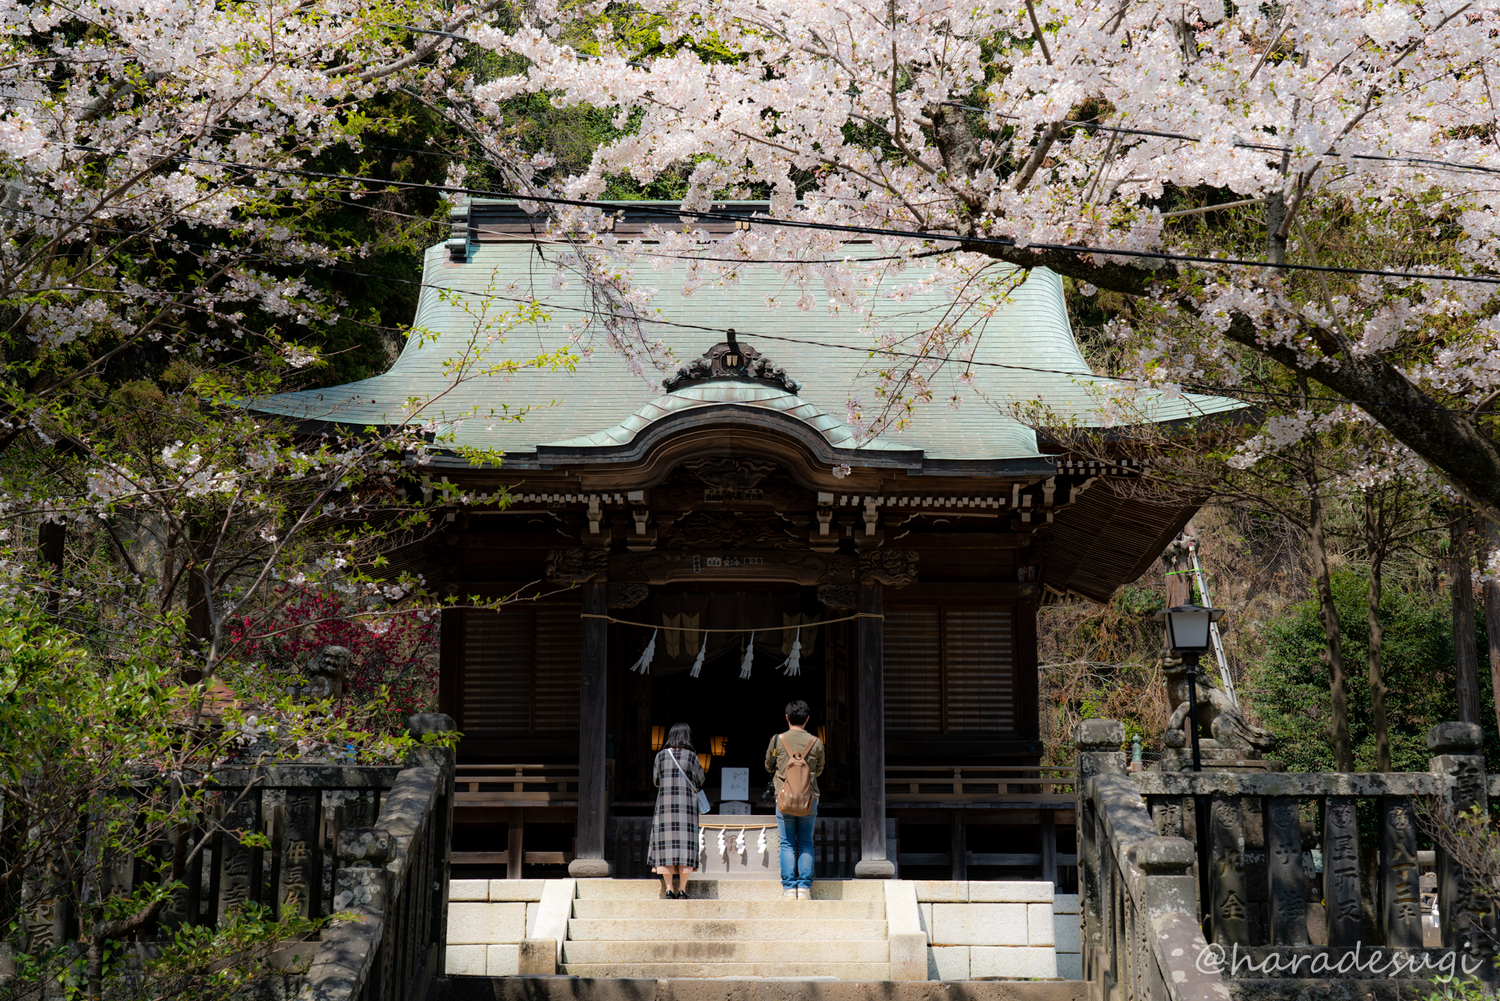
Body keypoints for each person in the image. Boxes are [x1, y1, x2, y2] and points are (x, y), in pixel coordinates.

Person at [764, 699, 824, 900]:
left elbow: (768, 766)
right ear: (807, 719)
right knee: (806, 842)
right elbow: (820, 770)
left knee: (787, 843)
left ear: (787, 717)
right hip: (809, 799)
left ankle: (789, 889)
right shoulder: (816, 743)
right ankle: (805, 889)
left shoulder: (776, 740)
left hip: (784, 799)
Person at [649, 722, 705, 899]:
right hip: (686, 808)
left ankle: (668, 888)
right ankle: (682, 889)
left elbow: (656, 781)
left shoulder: (660, 757)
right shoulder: (691, 757)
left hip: (665, 807)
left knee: (666, 845)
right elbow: (700, 780)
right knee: (685, 846)